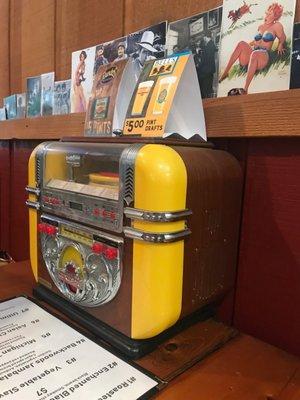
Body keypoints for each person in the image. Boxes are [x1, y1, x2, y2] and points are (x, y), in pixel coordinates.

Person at [219, 3, 286, 94]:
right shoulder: (261, 27)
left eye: (269, 14)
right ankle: (225, 73)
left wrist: (280, 44)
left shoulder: (277, 26)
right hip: (253, 54)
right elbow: (256, 42)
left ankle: (245, 89)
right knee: (241, 43)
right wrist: (246, 46)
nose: (266, 16)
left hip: (262, 56)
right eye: (266, 13)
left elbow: (282, 37)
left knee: (255, 54)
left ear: (275, 16)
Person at [195, 33, 217, 98]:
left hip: (206, 71)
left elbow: (206, 59)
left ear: (205, 37)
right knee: (207, 88)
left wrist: (199, 65)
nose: (198, 43)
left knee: (205, 89)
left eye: (199, 42)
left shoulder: (208, 45)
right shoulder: (210, 45)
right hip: (208, 70)